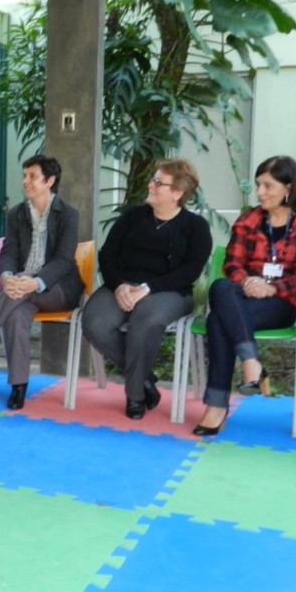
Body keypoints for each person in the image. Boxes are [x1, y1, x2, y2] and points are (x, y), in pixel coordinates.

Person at [193, 156, 296, 436]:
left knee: (217, 321)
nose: (259, 192)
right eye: (258, 184)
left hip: (280, 304)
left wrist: (272, 288)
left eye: (267, 185)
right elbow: (232, 263)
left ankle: (217, 405)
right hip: (242, 297)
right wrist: (247, 281)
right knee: (221, 286)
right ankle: (251, 362)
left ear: (288, 188)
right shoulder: (248, 219)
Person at [0, 155, 83, 410]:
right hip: (21, 291)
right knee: (15, 315)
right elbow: (8, 252)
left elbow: (64, 260)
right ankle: (18, 385)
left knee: (23, 283)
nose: (25, 181)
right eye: (24, 176)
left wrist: (36, 281)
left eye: (32, 176)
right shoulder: (16, 214)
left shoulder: (68, 214)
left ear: (49, 181)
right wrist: (6, 277)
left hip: (59, 289)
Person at [82, 159, 211, 419]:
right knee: (94, 322)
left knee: (146, 321)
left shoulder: (196, 226)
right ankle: (143, 378)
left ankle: (135, 396)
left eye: (158, 182)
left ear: (177, 193)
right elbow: (107, 255)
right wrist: (118, 285)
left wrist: (148, 288)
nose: (150, 185)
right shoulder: (132, 217)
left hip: (169, 291)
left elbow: (190, 271)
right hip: (123, 285)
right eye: (153, 179)